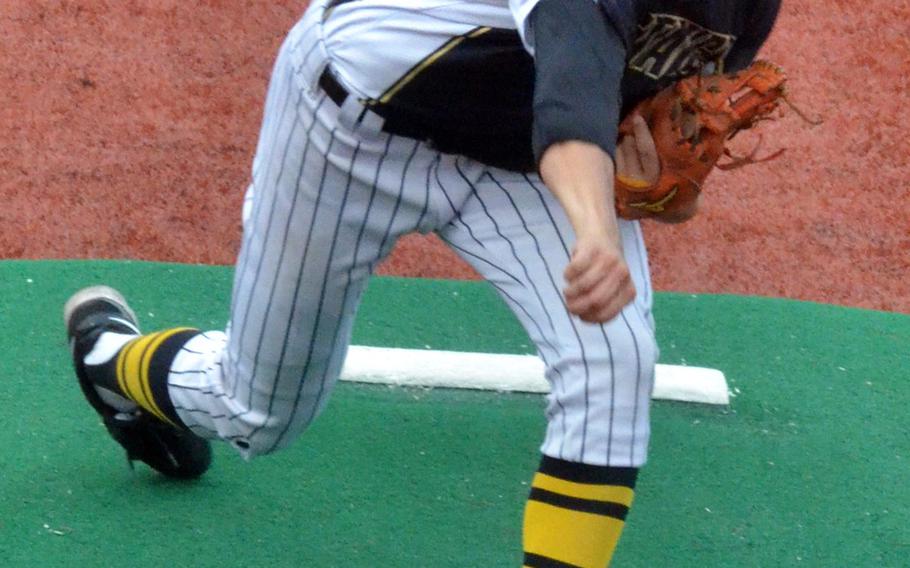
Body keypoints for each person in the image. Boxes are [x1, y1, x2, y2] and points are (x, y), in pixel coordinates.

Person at [64, 0, 781, 565]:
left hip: (514, 163)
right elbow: (569, 105)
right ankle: (108, 361)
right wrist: (596, 232)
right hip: (353, 127)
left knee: (614, 360)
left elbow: (653, 106)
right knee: (257, 411)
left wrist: (657, 171)